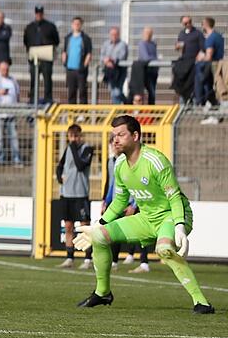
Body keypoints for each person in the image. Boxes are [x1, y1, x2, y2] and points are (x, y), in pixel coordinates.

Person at [73, 115, 214, 314]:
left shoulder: (155, 161)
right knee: (99, 236)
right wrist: (99, 224)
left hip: (171, 216)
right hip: (147, 218)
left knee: (164, 249)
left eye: (121, 135)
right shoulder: (120, 166)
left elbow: (174, 198)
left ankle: (201, 302)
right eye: (114, 136)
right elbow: (120, 202)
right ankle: (103, 292)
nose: (115, 140)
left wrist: (179, 227)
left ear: (136, 136)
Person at [100, 134, 148, 274]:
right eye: (113, 143)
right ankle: (114, 262)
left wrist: (133, 204)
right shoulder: (113, 162)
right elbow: (112, 184)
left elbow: (140, 184)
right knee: (114, 232)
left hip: (133, 202)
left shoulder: (136, 161)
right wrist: (106, 201)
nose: (115, 145)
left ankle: (143, 262)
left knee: (141, 233)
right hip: (117, 202)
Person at [56, 124, 94, 269]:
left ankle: (87, 259)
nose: (74, 139)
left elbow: (80, 165)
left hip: (80, 194)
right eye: (71, 136)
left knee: (85, 227)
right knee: (68, 226)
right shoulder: (68, 149)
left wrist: (72, 146)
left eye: (76, 136)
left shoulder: (87, 150)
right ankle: (69, 258)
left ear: (80, 136)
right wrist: (60, 178)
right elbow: (59, 167)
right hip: (67, 194)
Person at [23, 6, 59, 103]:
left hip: (46, 58)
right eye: (37, 13)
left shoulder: (50, 26)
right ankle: (33, 100)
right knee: (34, 80)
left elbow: (56, 40)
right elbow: (26, 41)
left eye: (40, 13)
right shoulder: (29, 27)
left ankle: (48, 99)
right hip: (34, 58)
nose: (39, 15)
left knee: (47, 80)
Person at [195, 17, 224, 110]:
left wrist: (201, 58)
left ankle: (207, 107)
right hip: (219, 64)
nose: (201, 26)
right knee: (215, 86)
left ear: (206, 24)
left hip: (209, 66)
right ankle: (214, 107)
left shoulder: (210, 38)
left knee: (206, 86)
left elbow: (209, 55)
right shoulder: (219, 36)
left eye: (202, 24)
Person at [61, 17, 92, 104]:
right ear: (72, 25)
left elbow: (89, 54)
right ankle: (72, 113)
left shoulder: (85, 38)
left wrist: (84, 65)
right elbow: (64, 51)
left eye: (78, 24)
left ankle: (82, 114)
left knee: (82, 91)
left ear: (81, 25)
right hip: (70, 69)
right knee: (71, 92)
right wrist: (64, 62)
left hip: (81, 70)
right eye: (75, 24)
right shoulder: (68, 38)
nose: (76, 26)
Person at [174, 16, 204, 103]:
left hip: (194, 64)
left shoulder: (198, 33)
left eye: (189, 22)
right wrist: (177, 46)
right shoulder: (181, 34)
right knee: (182, 84)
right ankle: (183, 105)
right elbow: (177, 47)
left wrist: (199, 57)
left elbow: (203, 48)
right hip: (184, 63)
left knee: (193, 85)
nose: (188, 24)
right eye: (185, 23)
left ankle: (194, 105)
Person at [101, 27, 129, 104]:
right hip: (109, 72)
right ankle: (127, 103)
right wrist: (106, 61)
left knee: (116, 92)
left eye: (115, 34)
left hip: (119, 72)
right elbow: (102, 56)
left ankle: (117, 111)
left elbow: (121, 57)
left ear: (118, 35)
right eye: (112, 34)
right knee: (113, 91)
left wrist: (111, 60)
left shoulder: (123, 45)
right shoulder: (106, 44)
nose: (113, 36)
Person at [138, 27, 158, 104]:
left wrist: (154, 60)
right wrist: (155, 59)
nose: (148, 35)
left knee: (152, 93)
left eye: (149, 33)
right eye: (146, 33)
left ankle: (151, 111)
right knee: (145, 92)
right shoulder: (142, 44)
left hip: (153, 72)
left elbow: (154, 57)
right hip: (145, 71)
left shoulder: (153, 44)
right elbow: (146, 57)